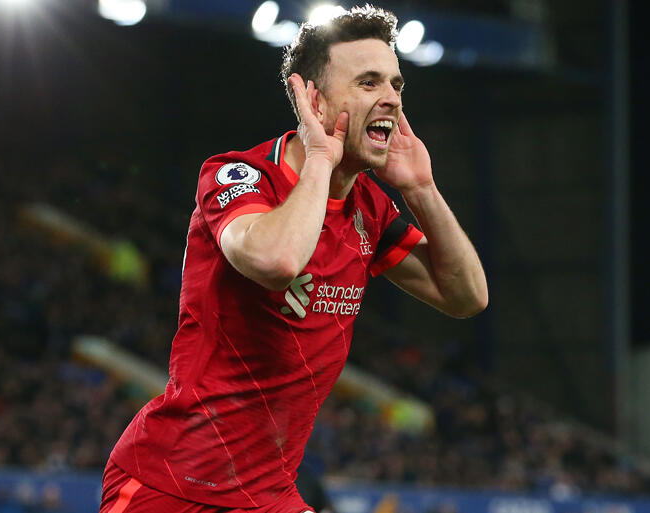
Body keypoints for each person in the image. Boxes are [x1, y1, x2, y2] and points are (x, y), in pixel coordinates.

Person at [100, 5, 487, 513]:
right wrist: (321, 159)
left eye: (396, 84)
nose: (392, 98)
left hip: (268, 495)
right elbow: (276, 261)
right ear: (315, 101)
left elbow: (466, 296)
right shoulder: (239, 176)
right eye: (368, 82)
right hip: (172, 486)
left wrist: (422, 189)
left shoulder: (369, 209)